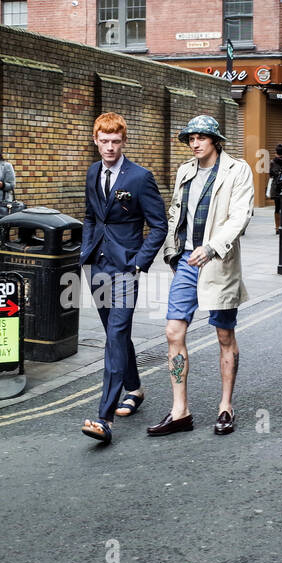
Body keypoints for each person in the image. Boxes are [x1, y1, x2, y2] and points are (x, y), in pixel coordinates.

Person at [152, 115, 254, 437]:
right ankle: (180, 411)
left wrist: (211, 248)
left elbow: (240, 217)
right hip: (186, 261)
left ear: (215, 140)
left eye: (201, 138)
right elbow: (175, 214)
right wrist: (172, 251)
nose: (194, 143)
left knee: (224, 336)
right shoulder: (186, 171)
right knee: (173, 331)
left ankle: (225, 406)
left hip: (218, 262)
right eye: (190, 138)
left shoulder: (238, 170)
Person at [79, 112, 168, 444]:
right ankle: (134, 388)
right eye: (104, 141)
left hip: (125, 269)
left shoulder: (140, 178)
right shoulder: (92, 172)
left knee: (115, 336)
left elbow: (158, 225)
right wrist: (86, 251)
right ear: (96, 140)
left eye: (116, 142)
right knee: (115, 334)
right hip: (97, 266)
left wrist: (140, 263)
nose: (110, 148)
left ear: (123, 142)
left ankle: (103, 418)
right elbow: (90, 215)